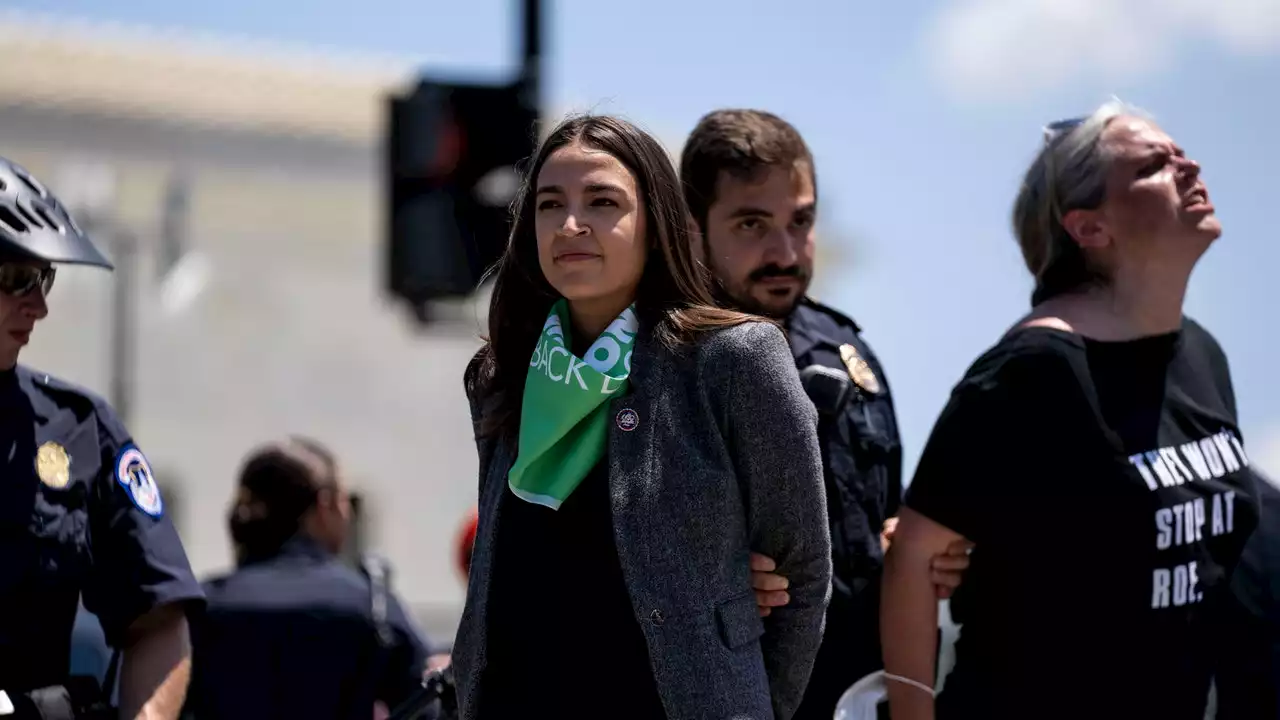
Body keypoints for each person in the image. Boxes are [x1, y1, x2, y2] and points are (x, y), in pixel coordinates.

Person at [880, 100, 1260, 720]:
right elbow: (914, 559)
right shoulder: (1032, 371)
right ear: (1088, 227)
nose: (1188, 166)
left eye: (1180, 152)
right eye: (1153, 166)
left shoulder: (1202, 355)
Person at [454, 114, 832, 720]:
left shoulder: (733, 360)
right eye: (550, 205)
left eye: (602, 202)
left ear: (656, 226)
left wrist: (753, 708)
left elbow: (801, 572)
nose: (571, 224)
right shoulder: (500, 377)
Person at [679, 108, 972, 718]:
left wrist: (927, 550)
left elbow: (891, 509)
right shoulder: (664, 366)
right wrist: (709, 576)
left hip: (862, 694)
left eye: (801, 221)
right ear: (692, 227)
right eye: (752, 224)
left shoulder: (847, 352)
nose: (784, 252)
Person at [0, 155, 203, 719]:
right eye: (17, 279)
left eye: (46, 279)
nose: (38, 306)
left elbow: (157, 617)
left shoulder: (79, 427)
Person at [182, 437, 434, 720]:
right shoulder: (374, 607)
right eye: (343, 501)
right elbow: (430, 705)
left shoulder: (199, 607)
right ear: (325, 505)